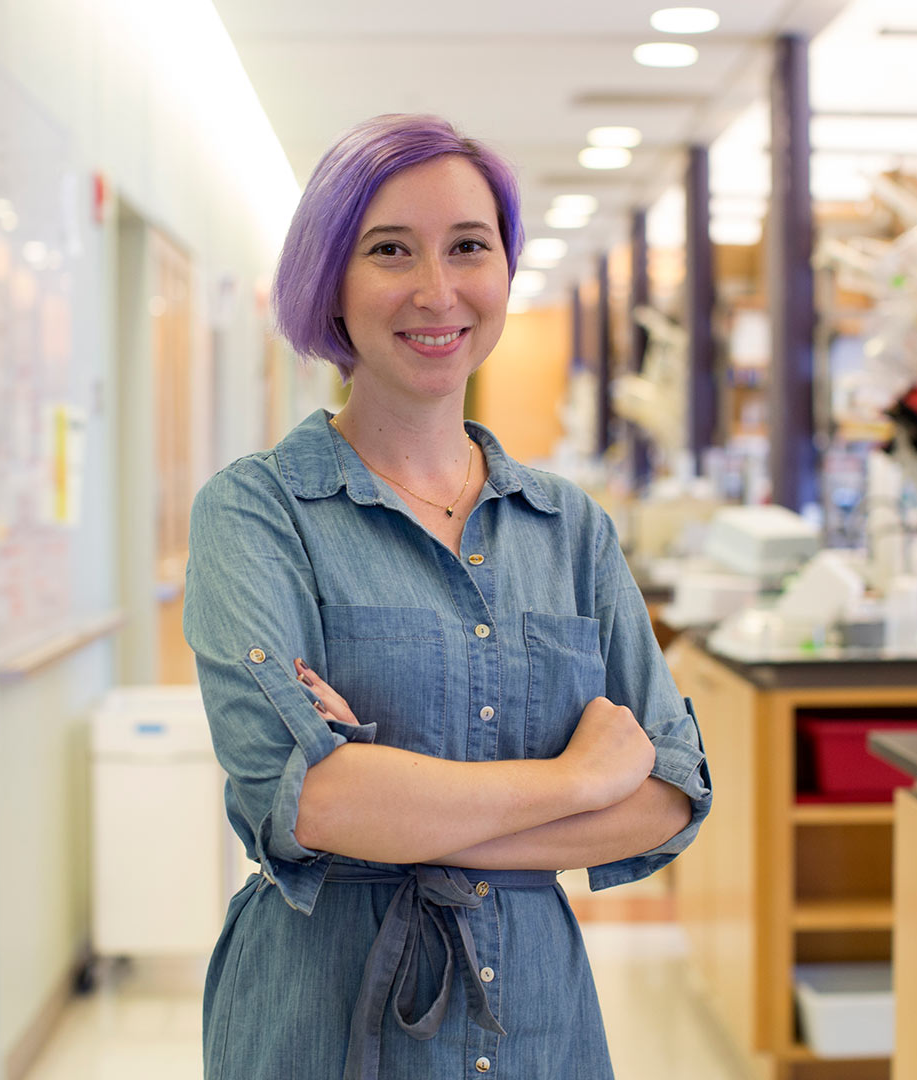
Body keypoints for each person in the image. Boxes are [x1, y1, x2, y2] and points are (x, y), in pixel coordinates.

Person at [184, 113, 711, 1080]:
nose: (437, 290)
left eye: (469, 247)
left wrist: (402, 802)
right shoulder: (258, 514)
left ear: (506, 269)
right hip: (322, 1024)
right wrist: (579, 780)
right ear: (330, 282)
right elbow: (309, 802)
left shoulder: (567, 529)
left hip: (538, 1026)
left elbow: (670, 793)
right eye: (390, 250)